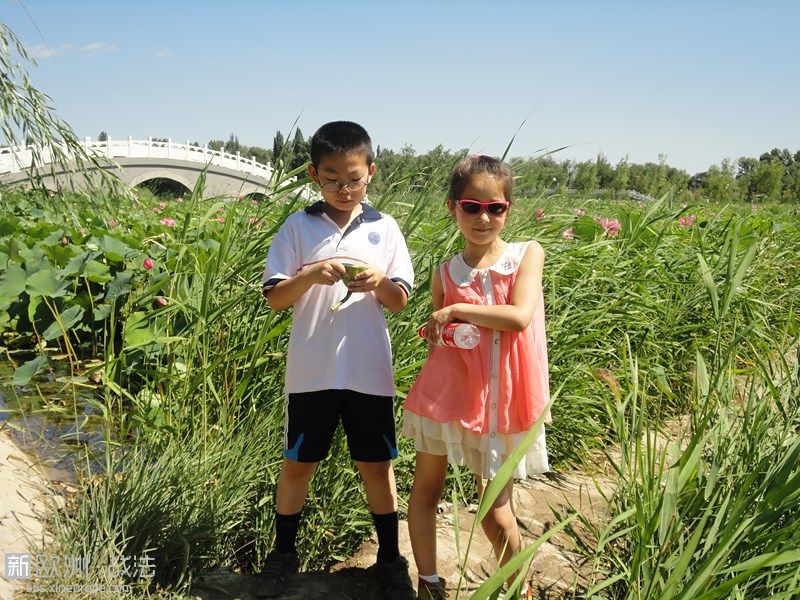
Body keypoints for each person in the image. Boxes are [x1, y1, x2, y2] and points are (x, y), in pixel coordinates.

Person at [255, 121, 415, 599]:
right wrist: (311, 275)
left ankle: (390, 560)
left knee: (376, 465)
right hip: (312, 373)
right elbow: (275, 298)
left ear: (371, 172)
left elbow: (400, 300)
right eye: (332, 178)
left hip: (369, 374)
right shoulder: (298, 226)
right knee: (298, 464)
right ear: (313, 175)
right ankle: (283, 556)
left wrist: (377, 282)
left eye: (353, 178)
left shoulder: (385, 229)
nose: (344, 188)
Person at [403, 155, 551, 599]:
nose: (483, 217)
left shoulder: (527, 254)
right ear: (452, 208)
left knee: (493, 511)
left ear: (509, 209)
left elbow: (519, 317)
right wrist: (440, 328)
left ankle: (517, 587)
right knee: (425, 492)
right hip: (446, 398)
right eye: (471, 206)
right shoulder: (444, 272)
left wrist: (456, 309)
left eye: (495, 208)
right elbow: (439, 339)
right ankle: (428, 583)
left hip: (503, 404)